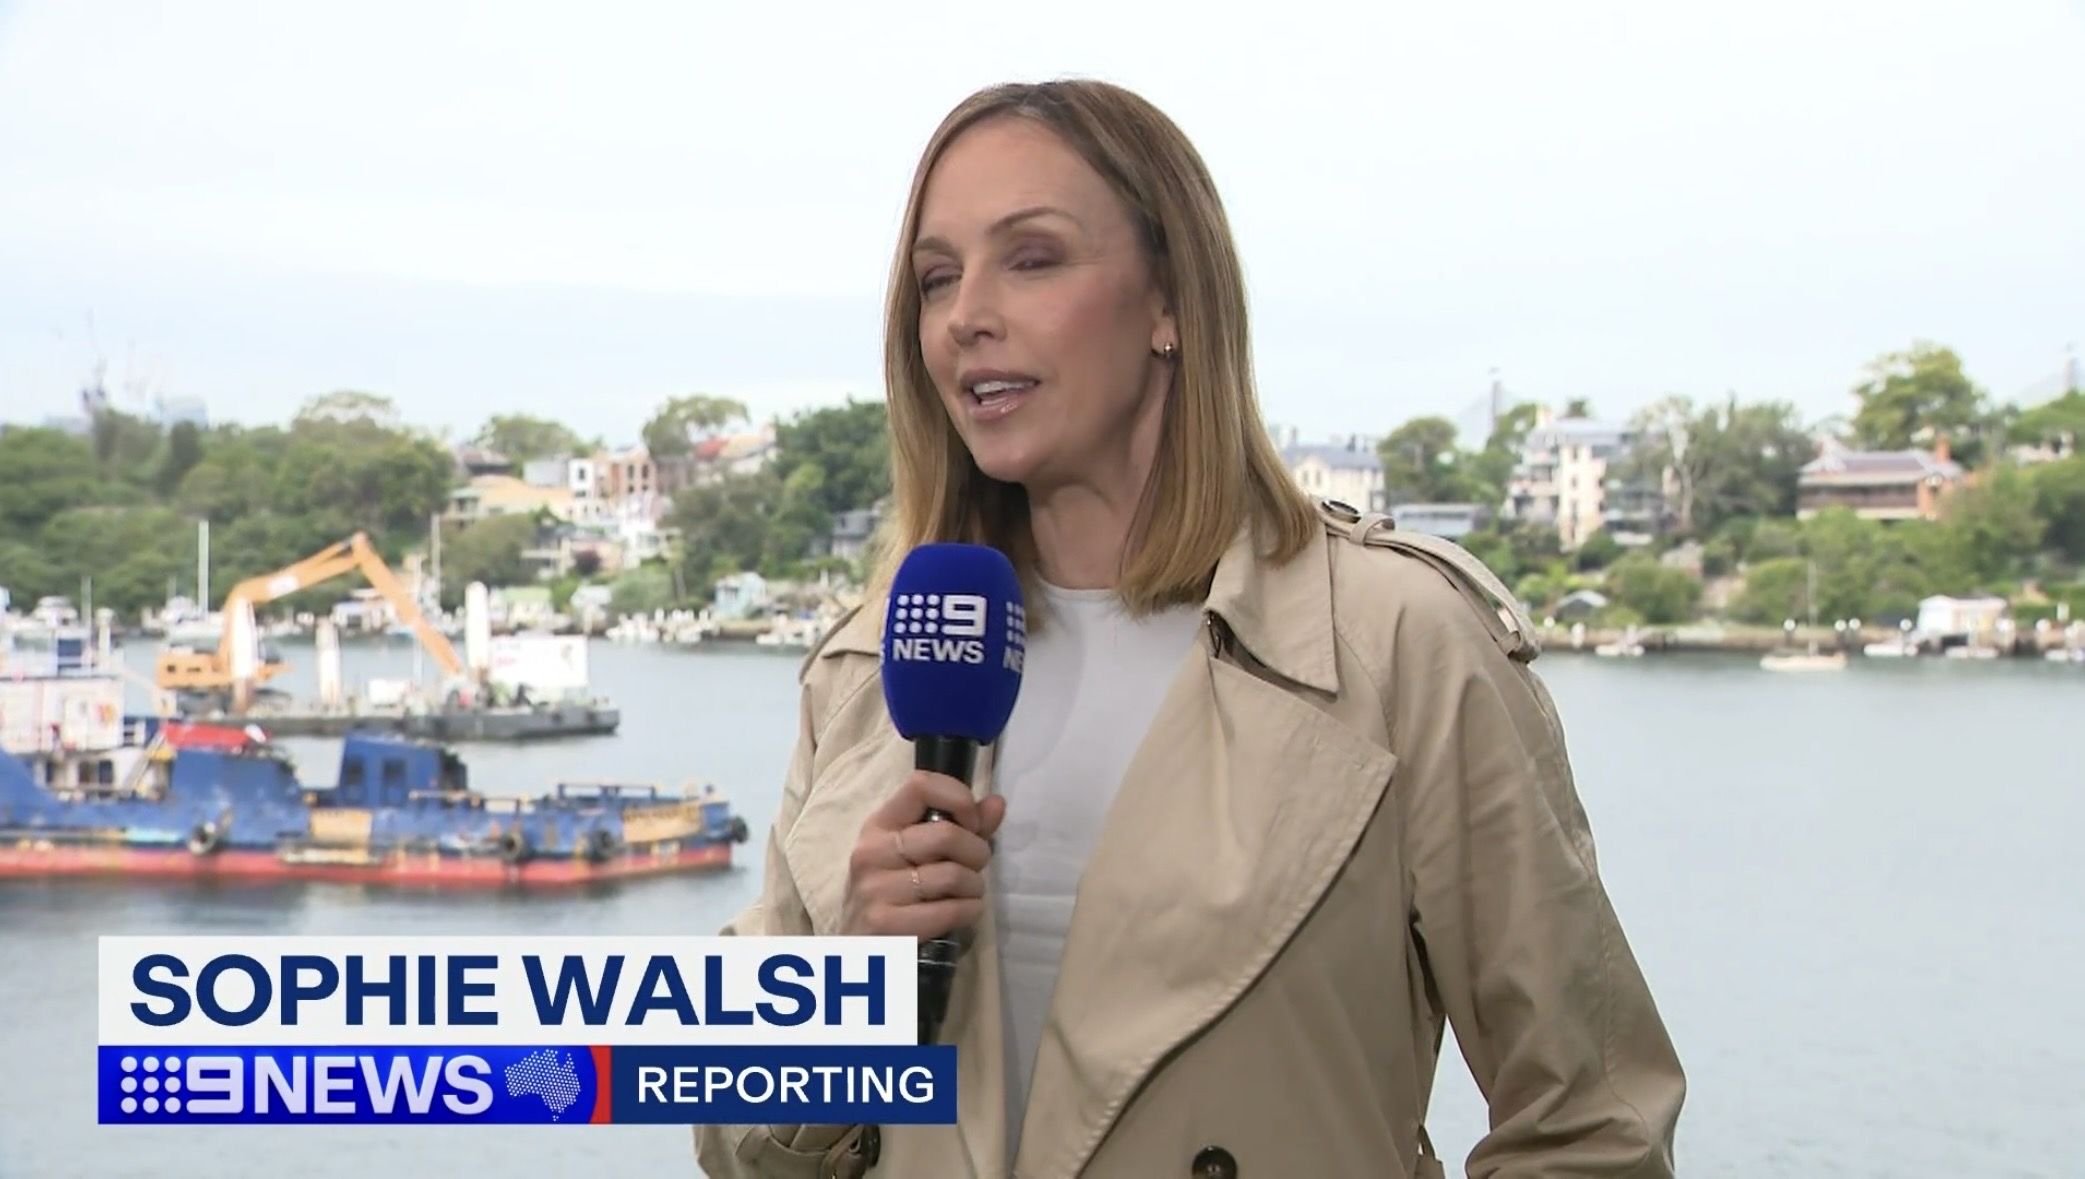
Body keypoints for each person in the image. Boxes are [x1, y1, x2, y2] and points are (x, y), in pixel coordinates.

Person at [693, 78, 1685, 1179]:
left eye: (1031, 259)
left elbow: (1591, 1126)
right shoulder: (867, 668)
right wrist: (844, 993)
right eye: (936, 279)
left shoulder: (1399, 644)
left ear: (1169, 300)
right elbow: (735, 1145)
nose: (966, 314)